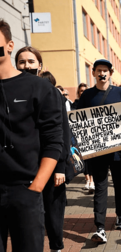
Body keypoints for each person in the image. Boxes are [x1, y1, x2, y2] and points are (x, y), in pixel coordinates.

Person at [0, 19, 63, 252]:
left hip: (25, 189)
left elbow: (54, 140)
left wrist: (36, 187)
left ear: (9, 45)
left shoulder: (39, 88)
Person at [16, 46, 70, 252]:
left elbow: (62, 132)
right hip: (23, 166)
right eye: (22, 62)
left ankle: (56, 247)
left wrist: (60, 167)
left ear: (39, 66)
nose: (26, 66)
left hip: (51, 163)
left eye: (31, 62)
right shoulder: (9, 90)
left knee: (53, 211)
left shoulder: (50, 92)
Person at [77, 59, 121, 243]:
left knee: (119, 184)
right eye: (99, 70)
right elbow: (79, 121)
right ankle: (100, 226)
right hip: (98, 151)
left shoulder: (120, 92)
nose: (102, 74)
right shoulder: (87, 95)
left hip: (118, 150)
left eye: (105, 71)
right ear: (93, 73)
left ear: (110, 73)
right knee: (101, 187)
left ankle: (120, 215)